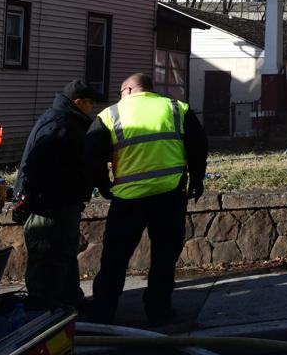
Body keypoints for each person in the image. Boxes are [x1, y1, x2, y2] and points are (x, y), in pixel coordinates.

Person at [85, 73, 208, 326]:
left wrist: (104, 185)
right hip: (170, 194)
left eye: (121, 92)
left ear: (128, 89)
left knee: (115, 258)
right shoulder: (176, 108)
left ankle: (103, 313)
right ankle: (158, 310)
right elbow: (198, 145)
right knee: (164, 256)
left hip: (129, 198)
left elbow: (91, 154)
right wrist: (197, 179)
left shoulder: (110, 114)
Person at [15, 79, 102, 310]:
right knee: (46, 258)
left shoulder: (67, 121)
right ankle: (43, 310)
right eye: (90, 103)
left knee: (63, 254)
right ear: (78, 102)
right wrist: (29, 196)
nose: (92, 108)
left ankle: (69, 300)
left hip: (62, 203)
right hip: (49, 206)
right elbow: (34, 164)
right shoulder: (60, 124)